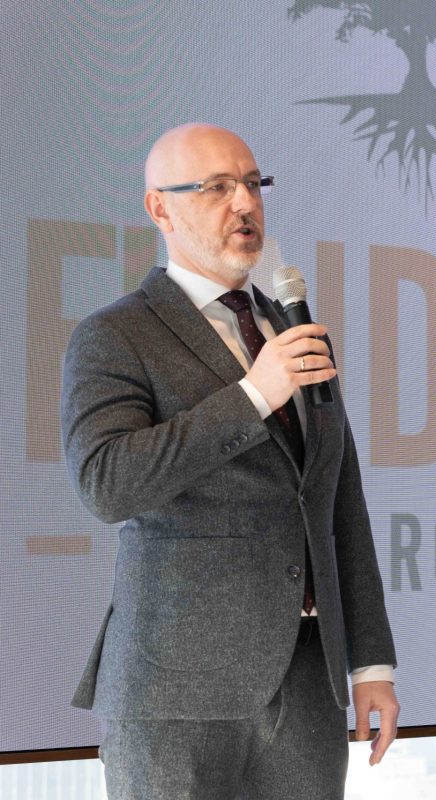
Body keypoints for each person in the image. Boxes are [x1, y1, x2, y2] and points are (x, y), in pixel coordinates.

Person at [62, 123, 399, 799]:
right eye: (217, 187)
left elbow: (336, 497)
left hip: (307, 683)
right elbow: (107, 483)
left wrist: (371, 663)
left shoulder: (292, 328)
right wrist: (252, 397)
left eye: (252, 184)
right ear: (160, 208)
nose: (244, 203)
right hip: (174, 691)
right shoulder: (115, 334)